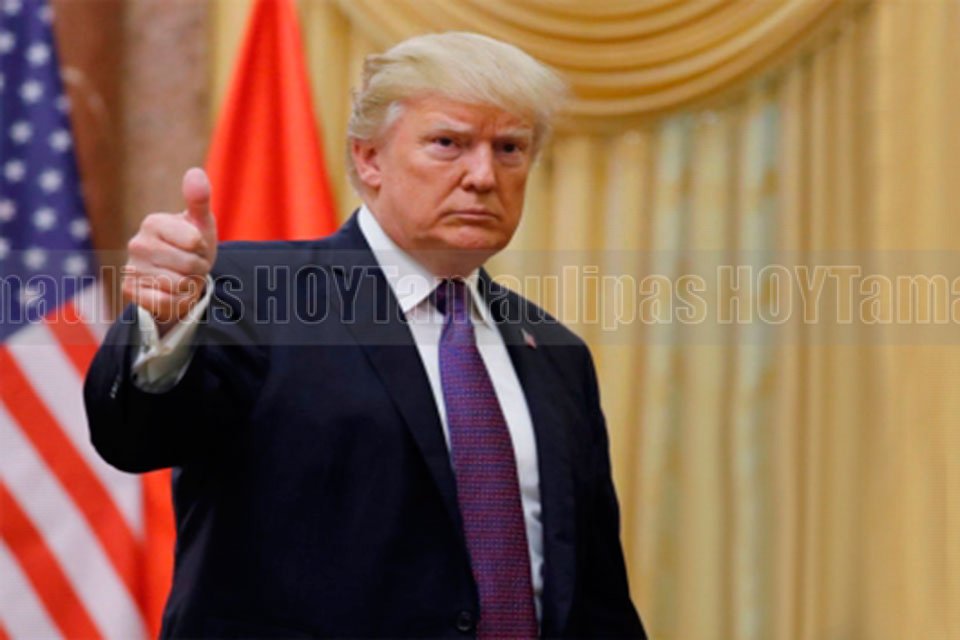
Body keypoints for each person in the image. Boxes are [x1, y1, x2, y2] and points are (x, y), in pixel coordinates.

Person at [85, 32, 647, 638]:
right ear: (369, 159)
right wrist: (168, 321)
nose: (484, 176)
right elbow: (134, 437)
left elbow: (594, 595)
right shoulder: (251, 293)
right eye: (448, 143)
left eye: (509, 148)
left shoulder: (557, 354)